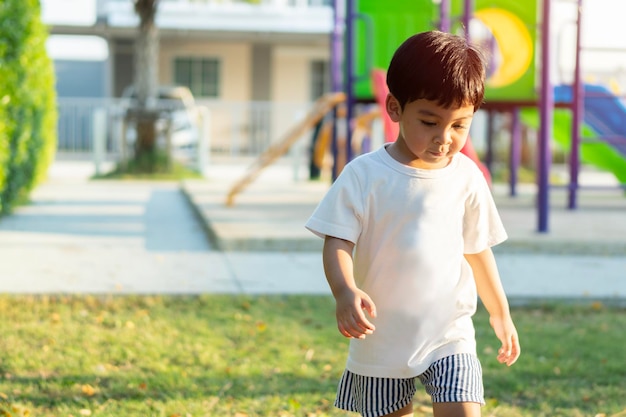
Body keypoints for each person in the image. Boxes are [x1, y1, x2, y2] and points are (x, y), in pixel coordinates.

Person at [304, 30, 520, 417]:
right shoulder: (364, 175)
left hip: (449, 335)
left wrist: (500, 311)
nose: (444, 138)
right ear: (394, 108)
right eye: (429, 121)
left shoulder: (466, 176)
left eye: (459, 125)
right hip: (381, 337)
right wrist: (344, 290)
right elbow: (337, 241)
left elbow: (477, 249)